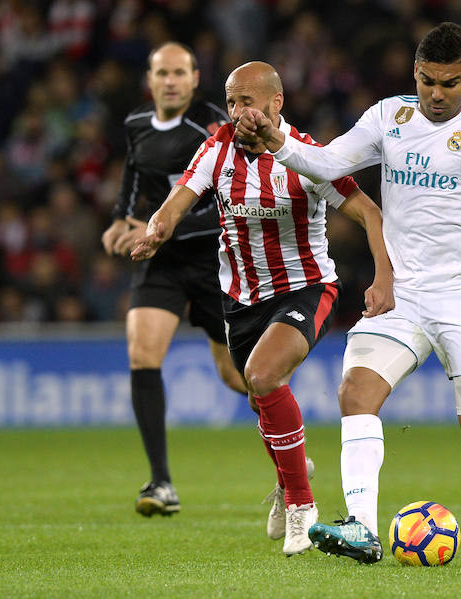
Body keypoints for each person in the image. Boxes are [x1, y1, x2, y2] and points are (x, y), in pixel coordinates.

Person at [239, 22, 461, 563]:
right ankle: (361, 527)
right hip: (402, 293)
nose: (437, 95)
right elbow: (330, 162)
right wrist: (277, 140)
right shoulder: (390, 116)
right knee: (355, 395)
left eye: (451, 84)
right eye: (428, 82)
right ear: (416, 74)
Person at [131, 61, 393, 555]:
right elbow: (179, 197)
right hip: (240, 299)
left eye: (247, 101)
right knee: (260, 398)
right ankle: (290, 470)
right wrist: (156, 230)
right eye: (231, 101)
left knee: (264, 376)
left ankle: (301, 503)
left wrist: (384, 277)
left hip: (306, 289)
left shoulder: (310, 156)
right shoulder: (217, 148)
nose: (238, 111)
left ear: (276, 104)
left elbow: (369, 214)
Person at [102, 43, 315, 539]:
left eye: (180, 73)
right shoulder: (136, 124)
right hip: (160, 262)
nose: (171, 81)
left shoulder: (220, 126)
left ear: (195, 78)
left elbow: (221, 200)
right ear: (151, 80)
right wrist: (122, 219)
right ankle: (160, 481)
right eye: (162, 73)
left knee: (237, 376)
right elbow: (135, 177)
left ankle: (289, 460)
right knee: (142, 352)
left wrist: (159, 225)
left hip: (214, 265)